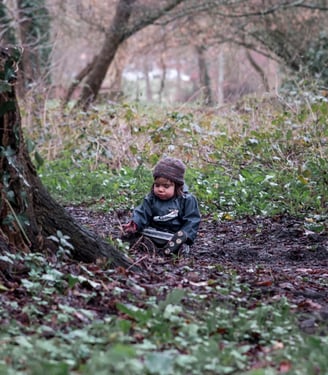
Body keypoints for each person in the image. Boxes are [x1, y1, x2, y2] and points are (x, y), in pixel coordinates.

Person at [122, 157, 201, 255]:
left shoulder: (186, 200)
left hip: (173, 235)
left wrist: (186, 234)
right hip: (154, 233)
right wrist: (135, 223)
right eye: (157, 185)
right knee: (137, 235)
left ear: (177, 186)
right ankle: (147, 245)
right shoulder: (151, 199)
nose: (160, 189)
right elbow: (142, 212)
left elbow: (192, 220)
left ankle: (176, 248)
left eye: (166, 186)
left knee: (181, 243)